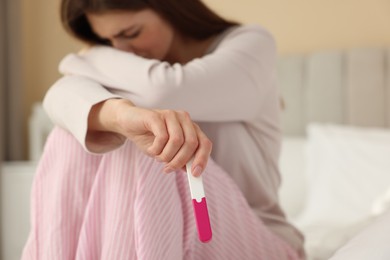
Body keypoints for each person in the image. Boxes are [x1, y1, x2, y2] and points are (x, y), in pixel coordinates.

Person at [22, 0, 305, 259]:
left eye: (130, 33)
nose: (120, 50)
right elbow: (58, 98)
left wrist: (85, 58)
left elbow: (166, 89)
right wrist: (119, 114)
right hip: (177, 235)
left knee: (155, 139)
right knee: (77, 132)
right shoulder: (129, 74)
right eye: (106, 41)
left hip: (259, 238)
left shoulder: (251, 45)